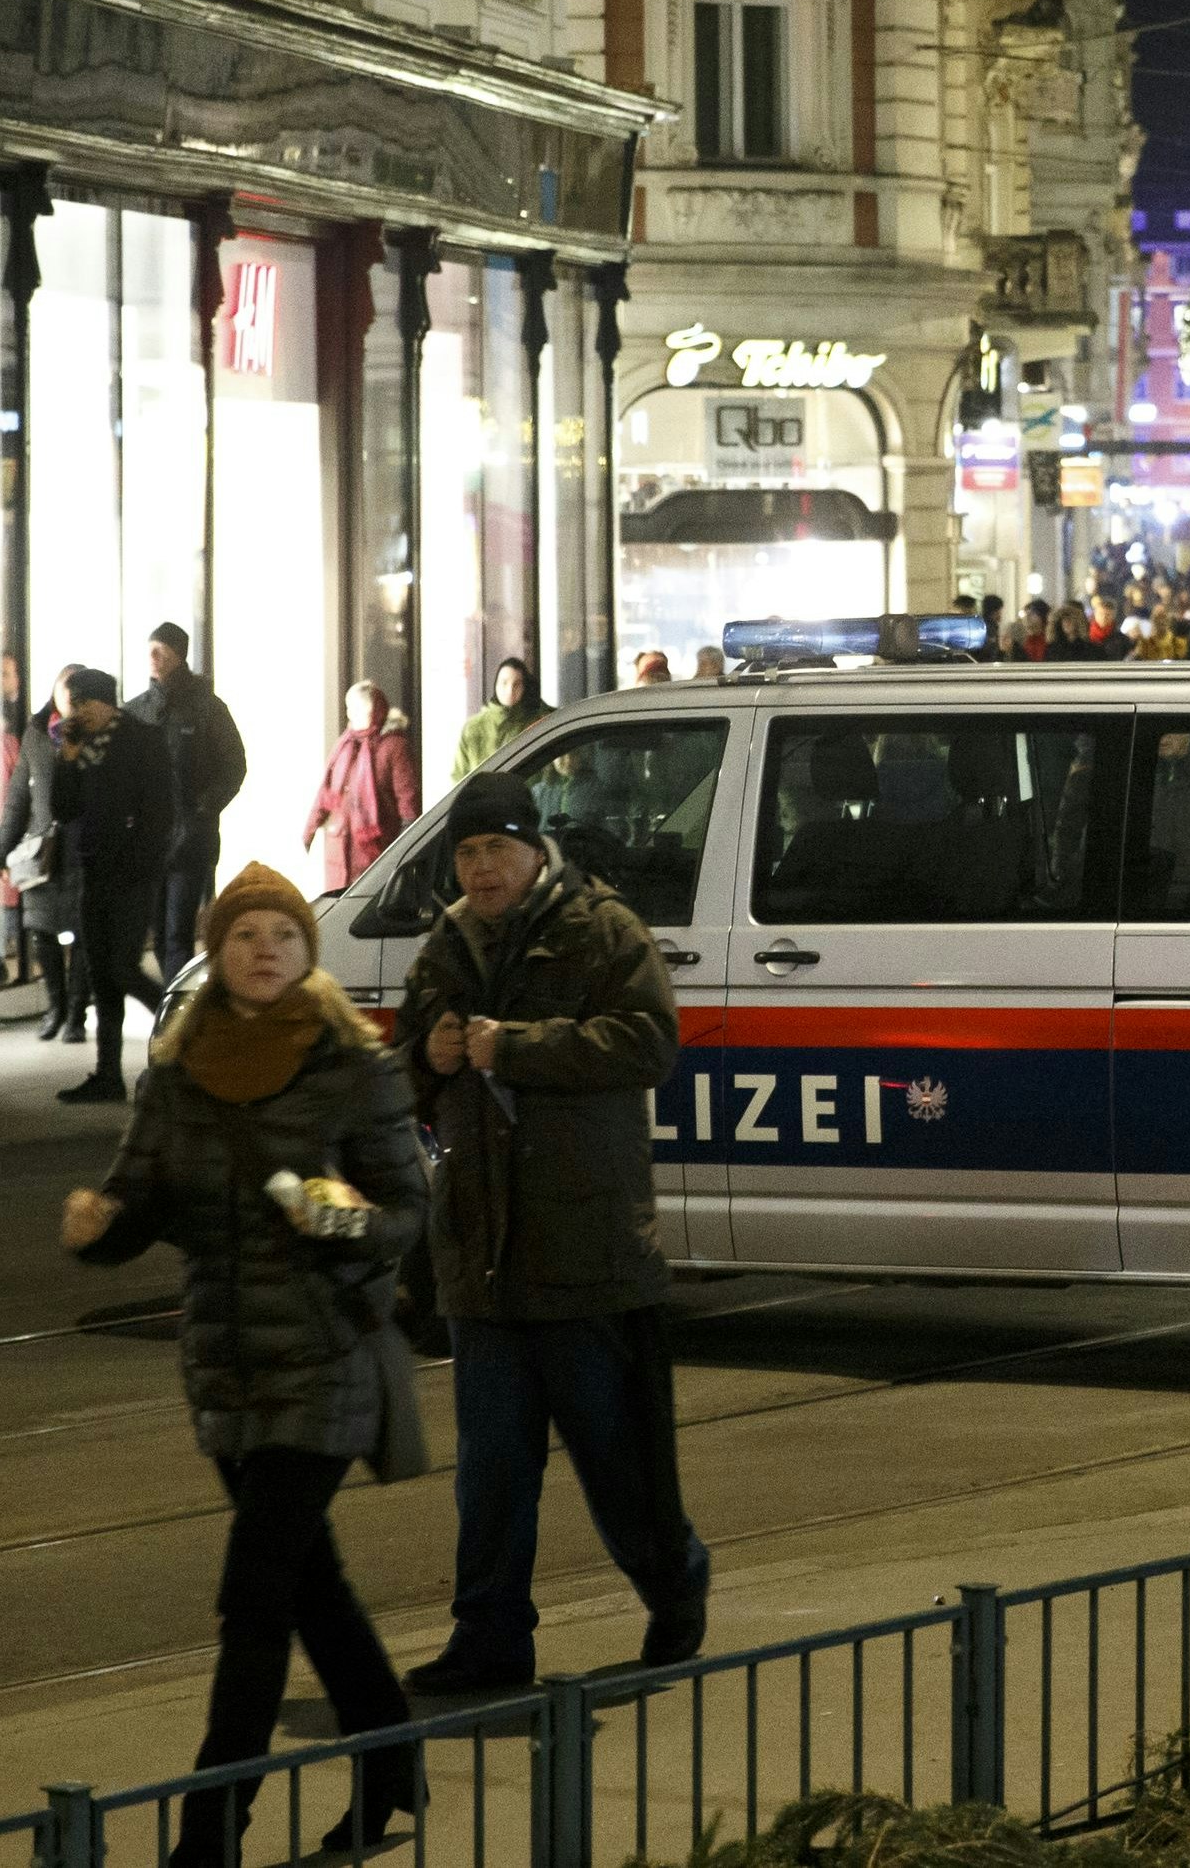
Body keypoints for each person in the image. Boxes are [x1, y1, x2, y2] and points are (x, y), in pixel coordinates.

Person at [61, 864, 430, 1868]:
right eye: (244, 936)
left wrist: (331, 1215)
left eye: (283, 934)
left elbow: (407, 1214)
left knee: (255, 1599)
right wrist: (96, 1229)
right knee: (312, 1587)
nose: (265, 950)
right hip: (224, 1366)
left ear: (309, 952)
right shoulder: (178, 1073)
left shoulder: (352, 1067)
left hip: (324, 1360)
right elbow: (139, 1201)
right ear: (216, 955)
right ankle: (393, 1765)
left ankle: (210, 1831)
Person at [397, 771, 710, 1692]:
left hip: (586, 1250)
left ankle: (673, 1582)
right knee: (491, 1471)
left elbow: (649, 1042)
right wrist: (427, 1056)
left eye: (497, 848)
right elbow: (402, 1074)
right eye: (467, 853)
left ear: (535, 850)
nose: (482, 868)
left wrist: (519, 1047)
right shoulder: (445, 947)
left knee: (619, 1461)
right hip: (482, 1257)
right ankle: (489, 1637)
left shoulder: (602, 929)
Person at [49, 667, 179, 1104]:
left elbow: (161, 810)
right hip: (94, 870)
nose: (79, 712)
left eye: (86, 703)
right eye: (75, 704)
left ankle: (184, 1034)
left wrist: (143, 861)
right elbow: (63, 810)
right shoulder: (78, 746)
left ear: (107, 702)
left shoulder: (142, 740)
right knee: (100, 973)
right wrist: (67, 759)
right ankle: (108, 1074)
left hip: (134, 873)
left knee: (122, 966)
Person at [132, 623, 250, 984]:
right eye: (150, 649)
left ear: (178, 655)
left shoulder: (207, 708)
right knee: (159, 935)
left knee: (178, 934)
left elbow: (234, 766)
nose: (153, 657)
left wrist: (202, 810)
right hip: (149, 843)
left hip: (192, 841)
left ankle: (177, 1006)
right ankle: (172, 1000)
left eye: (161, 650)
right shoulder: (137, 710)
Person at [3, 672, 80, 1045]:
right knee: (40, 929)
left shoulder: (97, 733)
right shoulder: (37, 733)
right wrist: (2, 850)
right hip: (42, 850)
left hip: (81, 848)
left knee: (83, 934)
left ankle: (77, 1013)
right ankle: (56, 1007)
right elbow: (19, 796)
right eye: (66, 690)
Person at [306, 683, 425, 896]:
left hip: (374, 854)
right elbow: (326, 794)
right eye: (349, 708)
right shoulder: (345, 744)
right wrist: (309, 830)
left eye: (358, 709)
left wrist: (405, 848)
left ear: (375, 710)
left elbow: (408, 800)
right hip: (338, 857)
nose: (351, 714)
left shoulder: (394, 746)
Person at [453, 655, 548, 781]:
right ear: (496, 685)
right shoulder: (473, 727)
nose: (510, 690)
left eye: (516, 684)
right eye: (504, 683)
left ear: (524, 687)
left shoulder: (535, 723)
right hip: (480, 793)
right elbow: (458, 777)